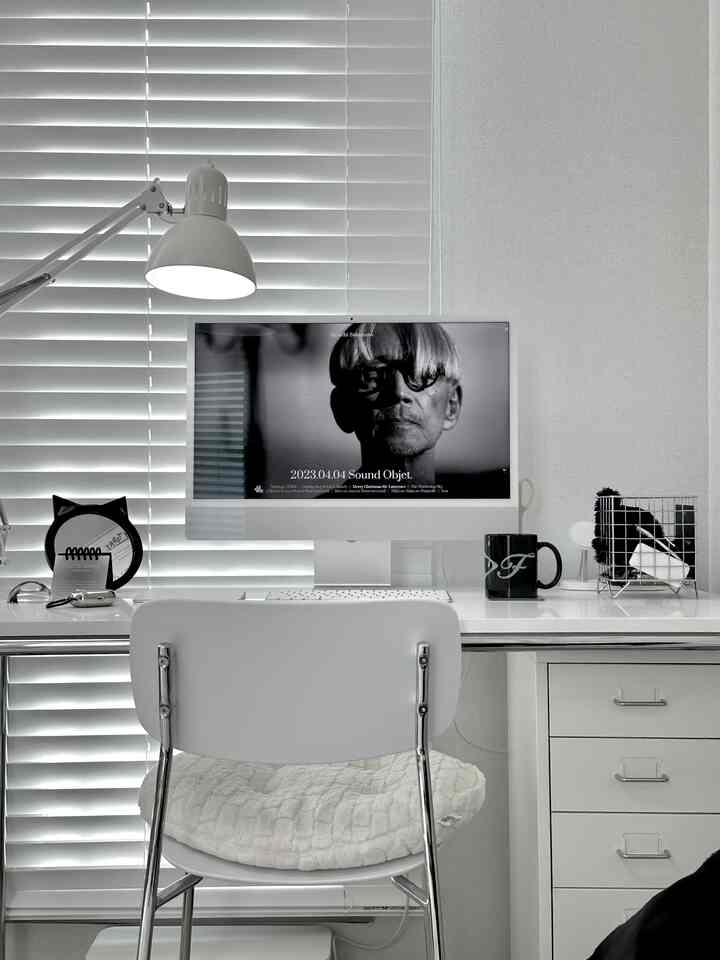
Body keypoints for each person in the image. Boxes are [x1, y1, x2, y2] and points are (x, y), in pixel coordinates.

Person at [320, 321, 509, 498]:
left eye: (422, 375)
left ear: (452, 406)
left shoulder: (490, 506)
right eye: (371, 375)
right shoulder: (318, 525)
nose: (399, 392)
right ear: (342, 407)